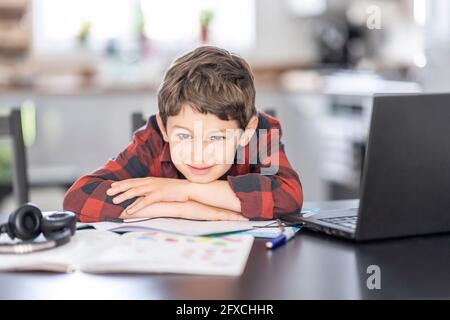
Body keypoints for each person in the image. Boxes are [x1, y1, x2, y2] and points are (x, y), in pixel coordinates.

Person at [63, 46, 303, 222]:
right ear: (165, 128)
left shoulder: (259, 133)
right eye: (185, 137)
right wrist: (182, 208)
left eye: (217, 138)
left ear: (246, 132)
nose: (198, 156)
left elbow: (287, 196)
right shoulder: (155, 138)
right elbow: (78, 198)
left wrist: (185, 190)